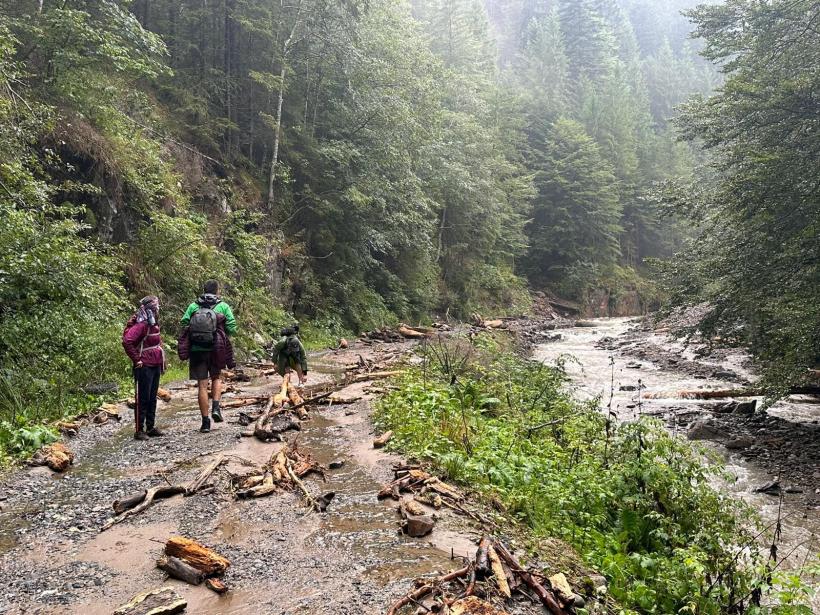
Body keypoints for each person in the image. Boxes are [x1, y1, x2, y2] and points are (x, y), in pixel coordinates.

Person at [179, 280, 236, 433]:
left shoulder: (193, 306)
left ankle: (205, 423)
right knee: (217, 378)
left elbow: (184, 322)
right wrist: (222, 333)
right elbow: (232, 326)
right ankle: (216, 407)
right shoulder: (223, 306)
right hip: (217, 349)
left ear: (203, 290)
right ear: (217, 291)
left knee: (202, 385)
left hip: (197, 350)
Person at [122, 296, 166, 440]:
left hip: (155, 364)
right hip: (144, 365)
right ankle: (139, 430)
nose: (158, 309)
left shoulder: (153, 323)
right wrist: (137, 360)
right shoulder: (142, 325)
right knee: (143, 398)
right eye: (156, 307)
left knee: (152, 397)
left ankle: (151, 427)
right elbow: (127, 341)